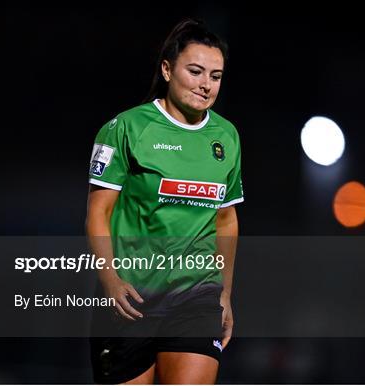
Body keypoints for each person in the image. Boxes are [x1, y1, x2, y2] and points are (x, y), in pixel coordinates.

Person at [85, 18, 243, 384]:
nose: (206, 85)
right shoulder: (125, 128)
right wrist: (109, 281)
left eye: (216, 76)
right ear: (167, 68)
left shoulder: (226, 137)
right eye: (196, 71)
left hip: (196, 295)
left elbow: (226, 220)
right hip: (132, 296)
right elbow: (98, 212)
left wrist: (226, 294)